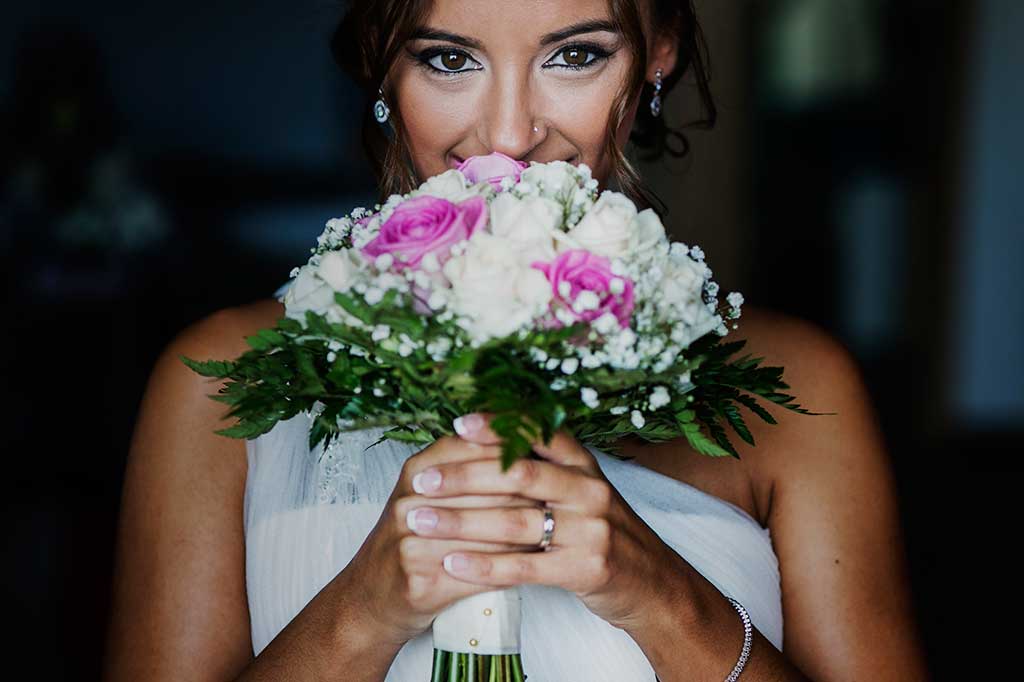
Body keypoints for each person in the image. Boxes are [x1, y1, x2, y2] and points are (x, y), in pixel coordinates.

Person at [103, 1, 931, 680]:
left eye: (573, 56)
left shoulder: (802, 385)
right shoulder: (217, 380)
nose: (506, 136)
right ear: (379, 60)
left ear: (658, 56)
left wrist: (662, 598)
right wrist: (362, 611)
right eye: (449, 59)